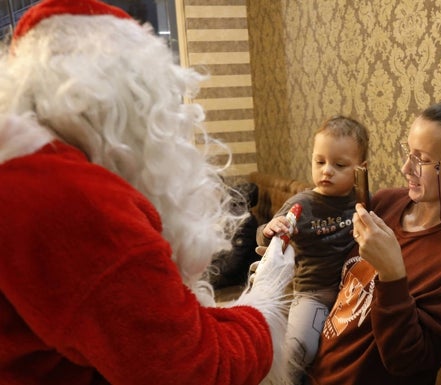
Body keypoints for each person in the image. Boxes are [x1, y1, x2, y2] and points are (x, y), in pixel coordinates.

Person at [0, 1, 294, 384]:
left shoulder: (24, 173)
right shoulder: (79, 203)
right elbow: (194, 370)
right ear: (134, 103)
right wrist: (265, 299)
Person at [307, 98, 441, 385]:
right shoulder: (386, 203)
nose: (406, 168)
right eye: (408, 152)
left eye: (423, 160)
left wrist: (392, 274)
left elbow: (408, 361)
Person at [257, 115, 369, 384]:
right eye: (319, 162)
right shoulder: (302, 204)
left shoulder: (363, 201)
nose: (326, 170)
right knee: (299, 349)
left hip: (354, 294)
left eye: (339, 164)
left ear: (359, 170)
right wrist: (270, 229)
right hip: (314, 294)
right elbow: (264, 241)